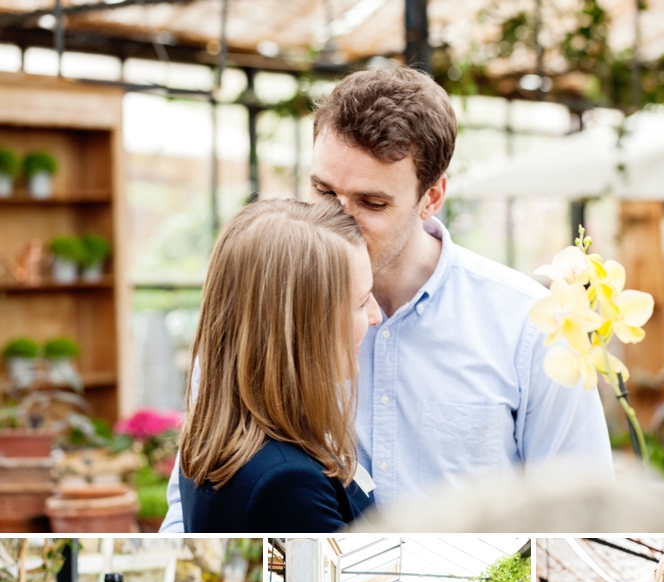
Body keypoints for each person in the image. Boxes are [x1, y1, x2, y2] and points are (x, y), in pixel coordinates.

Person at [161, 66, 611, 532]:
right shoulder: (269, 311)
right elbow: (187, 506)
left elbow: (582, 513)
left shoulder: (530, 322)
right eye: (323, 190)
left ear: (431, 196)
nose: (339, 219)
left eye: (371, 203)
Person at [177, 198, 381, 531]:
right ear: (305, 323)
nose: (375, 317)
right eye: (360, 303)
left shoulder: (215, 444)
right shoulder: (286, 485)